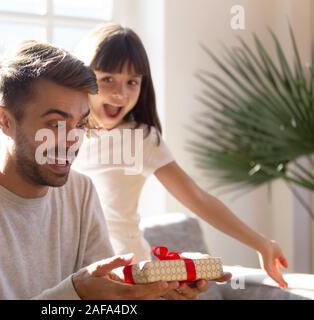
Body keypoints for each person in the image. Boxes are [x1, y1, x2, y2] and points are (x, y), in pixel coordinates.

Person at [0, 41, 226, 300]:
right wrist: (75, 292)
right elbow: (81, 296)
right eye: (55, 124)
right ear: (5, 120)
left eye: (80, 124)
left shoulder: (80, 191)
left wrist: (162, 290)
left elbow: (104, 300)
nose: (71, 140)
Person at [73, 23, 288, 289]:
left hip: (132, 277)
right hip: (82, 277)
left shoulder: (142, 139)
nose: (121, 94)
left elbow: (197, 197)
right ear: (86, 77)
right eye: (107, 79)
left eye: (132, 82)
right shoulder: (65, 134)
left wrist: (261, 243)